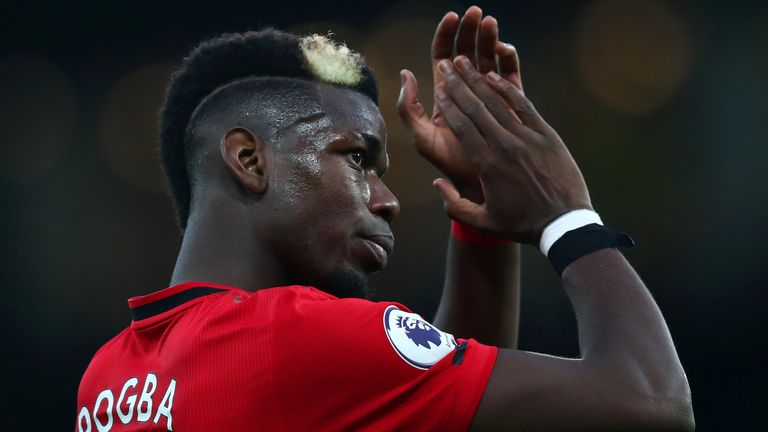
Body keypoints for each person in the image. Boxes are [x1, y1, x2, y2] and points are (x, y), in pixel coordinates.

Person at [75, 6, 694, 431]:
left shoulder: (109, 379)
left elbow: (435, 409)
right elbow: (650, 400)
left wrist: (478, 213)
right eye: (357, 159)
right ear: (248, 159)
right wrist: (567, 214)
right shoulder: (295, 337)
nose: (387, 199)